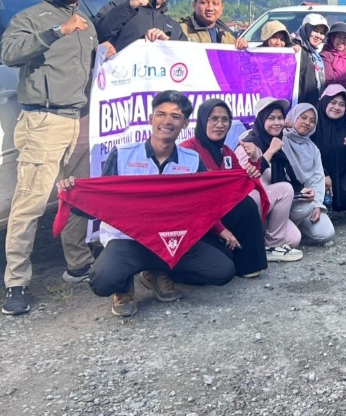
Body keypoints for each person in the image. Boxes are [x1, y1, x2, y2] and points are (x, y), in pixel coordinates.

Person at [0, 0, 110, 315]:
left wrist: (103, 53)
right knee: (29, 202)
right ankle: (16, 282)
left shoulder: (88, 24)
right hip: (43, 121)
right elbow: (9, 53)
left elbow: (85, 69)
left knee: (77, 195)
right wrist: (55, 33)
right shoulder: (32, 18)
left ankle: (77, 263)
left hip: (79, 120)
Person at [81, 91, 237, 317]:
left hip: (172, 239)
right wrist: (72, 191)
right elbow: (101, 201)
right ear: (150, 118)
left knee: (222, 271)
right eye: (161, 114)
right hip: (128, 240)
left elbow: (205, 203)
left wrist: (248, 174)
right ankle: (123, 284)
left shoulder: (192, 160)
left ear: (184, 123)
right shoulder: (122, 154)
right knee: (103, 281)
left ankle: (155, 273)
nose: (167, 121)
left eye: (175, 116)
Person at [179, 99, 270, 276]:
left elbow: (240, 182)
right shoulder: (187, 150)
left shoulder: (226, 151)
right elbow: (194, 202)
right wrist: (220, 229)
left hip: (217, 211)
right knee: (223, 266)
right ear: (203, 120)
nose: (219, 125)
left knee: (246, 204)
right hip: (195, 219)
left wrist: (254, 163)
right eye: (213, 119)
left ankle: (248, 265)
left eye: (225, 119)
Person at [242, 100, 335, 246]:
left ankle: (286, 225)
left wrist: (318, 204)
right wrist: (282, 127)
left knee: (326, 233)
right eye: (302, 117)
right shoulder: (277, 138)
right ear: (293, 117)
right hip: (271, 199)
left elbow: (317, 178)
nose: (307, 123)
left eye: (312, 120)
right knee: (298, 210)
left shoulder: (313, 149)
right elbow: (252, 136)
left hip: (296, 197)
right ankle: (274, 231)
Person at [311, 85, 346, 218]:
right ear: (324, 101)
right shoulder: (313, 124)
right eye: (333, 102)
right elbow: (305, 155)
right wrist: (323, 174)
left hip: (338, 173)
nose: (337, 107)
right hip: (312, 174)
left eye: (342, 104)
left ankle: (331, 205)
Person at [179, 0, 250, 49]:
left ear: (222, 8)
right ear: (194, 5)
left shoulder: (228, 37)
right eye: (204, 2)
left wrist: (242, 45)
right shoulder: (180, 31)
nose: (210, 8)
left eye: (215, 4)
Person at [296, 14, 329, 107]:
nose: (318, 36)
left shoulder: (313, 52)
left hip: (313, 106)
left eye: (322, 33)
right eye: (315, 30)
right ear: (306, 29)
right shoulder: (296, 48)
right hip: (299, 106)